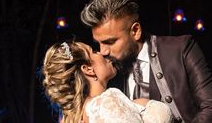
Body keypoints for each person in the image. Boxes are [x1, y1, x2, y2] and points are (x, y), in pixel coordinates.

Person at [80, 0, 212, 123]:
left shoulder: (180, 48)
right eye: (98, 43)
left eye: (110, 42)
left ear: (135, 31)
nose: (103, 51)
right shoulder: (109, 75)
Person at [42, 39, 173, 123]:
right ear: (88, 69)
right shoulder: (105, 102)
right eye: (93, 51)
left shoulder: (81, 115)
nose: (102, 53)